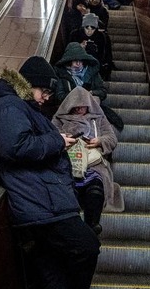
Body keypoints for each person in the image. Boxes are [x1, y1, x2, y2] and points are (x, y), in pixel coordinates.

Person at [0, 56, 100, 289]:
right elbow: (14, 147)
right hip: (40, 202)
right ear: (28, 83)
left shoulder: (18, 106)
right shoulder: (8, 106)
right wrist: (57, 140)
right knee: (86, 247)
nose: (46, 97)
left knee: (51, 276)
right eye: (44, 90)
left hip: (42, 200)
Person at [52, 86, 124, 235]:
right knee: (68, 188)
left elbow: (112, 138)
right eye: (76, 108)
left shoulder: (98, 118)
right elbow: (51, 138)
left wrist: (99, 141)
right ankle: (72, 226)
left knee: (96, 186)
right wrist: (64, 140)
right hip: (69, 162)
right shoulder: (59, 119)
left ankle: (92, 223)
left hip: (93, 163)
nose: (79, 110)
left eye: (82, 107)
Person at [69, 13, 114, 81]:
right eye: (87, 27)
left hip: (95, 66)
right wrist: (78, 47)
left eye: (92, 28)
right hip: (77, 66)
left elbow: (106, 54)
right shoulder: (75, 35)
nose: (89, 31)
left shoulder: (101, 37)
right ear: (83, 27)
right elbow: (68, 53)